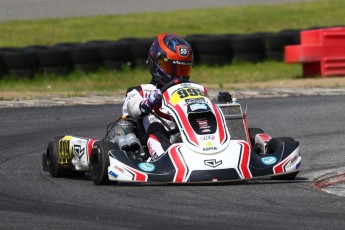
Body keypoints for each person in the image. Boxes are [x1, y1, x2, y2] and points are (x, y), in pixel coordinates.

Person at [122, 33, 202, 161]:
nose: (178, 75)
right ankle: (165, 159)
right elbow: (132, 109)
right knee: (156, 128)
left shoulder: (194, 89)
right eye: (172, 68)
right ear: (156, 62)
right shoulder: (142, 91)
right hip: (154, 139)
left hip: (186, 135)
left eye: (183, 69)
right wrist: (149, 102)